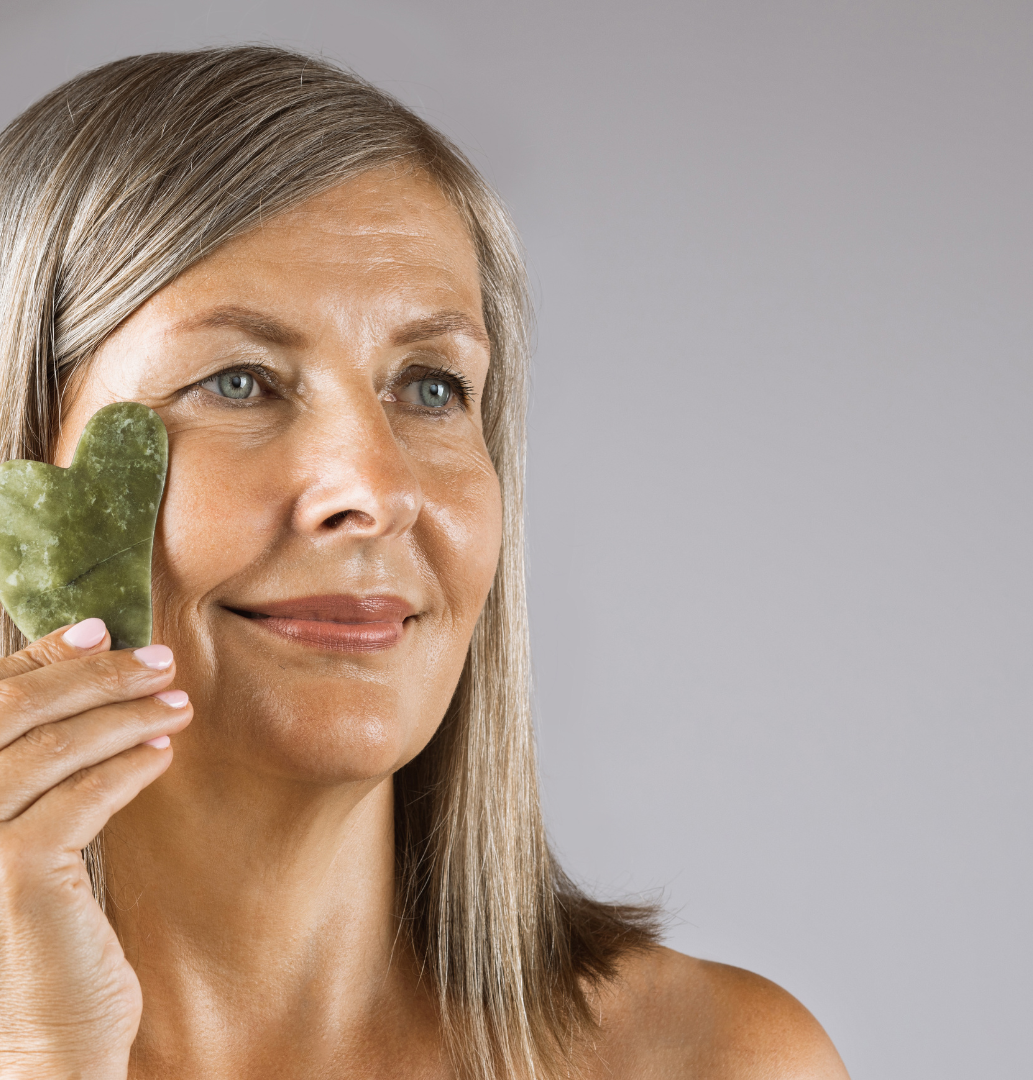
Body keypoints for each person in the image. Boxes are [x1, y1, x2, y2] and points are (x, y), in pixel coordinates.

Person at [0, 47, 849, 1079]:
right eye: (237, 381)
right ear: (28, 472)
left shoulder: (716, 1062)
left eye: (432, 387)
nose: (379, 487)